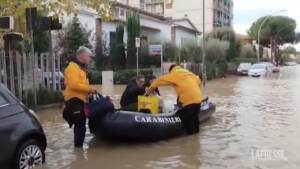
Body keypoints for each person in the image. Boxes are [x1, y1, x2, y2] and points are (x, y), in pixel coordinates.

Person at [145, 64, 203, 134]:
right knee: (195, 119)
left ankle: (189, 139)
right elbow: (199, 81)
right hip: (198, 99)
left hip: (188, 101)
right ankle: (196, 140)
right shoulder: (190, 73)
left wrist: (147, 93)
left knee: (188, 122)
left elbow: (158, 81)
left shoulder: (174, 74)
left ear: (171, 71)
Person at [62, 46, 95, 147]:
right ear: (82, 55)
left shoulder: (79, 68)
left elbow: (80, 85)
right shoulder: (73, 67)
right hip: (74, 101)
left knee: (80, 127)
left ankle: (78, 150)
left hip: (80, 101)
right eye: (89, 56)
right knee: (80, 127)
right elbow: (74, 85)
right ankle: (78, 152)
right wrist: (90, 89)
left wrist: (89, 92)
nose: (90, 59)